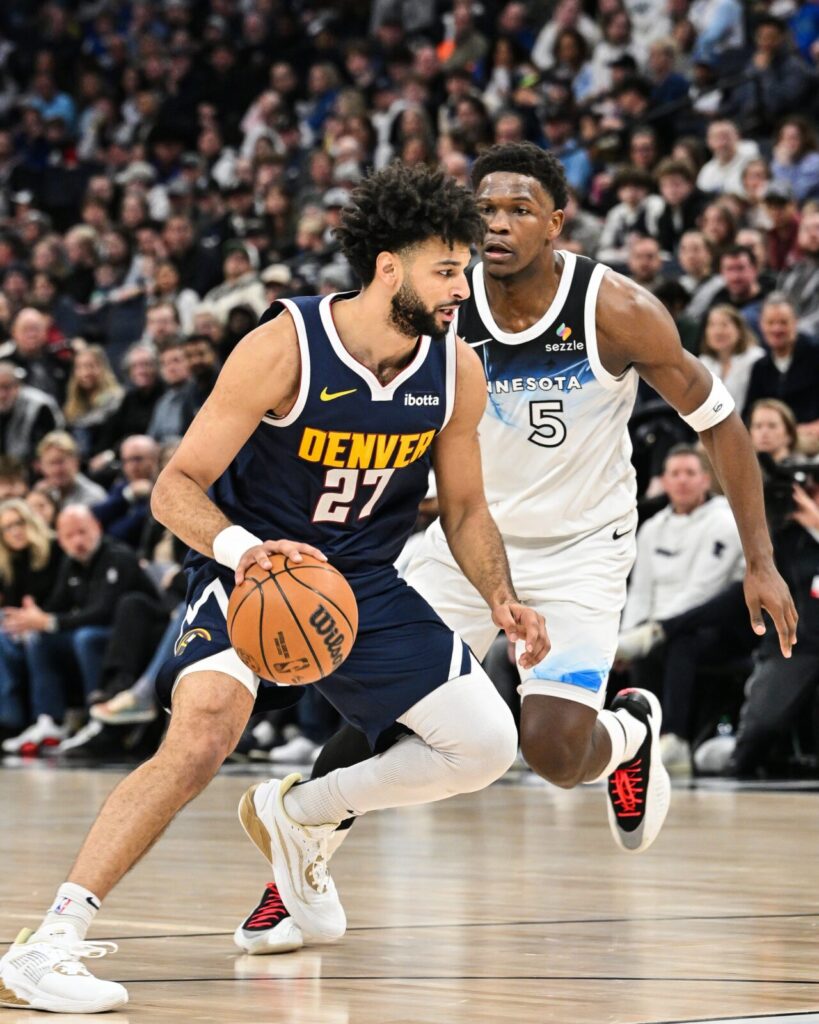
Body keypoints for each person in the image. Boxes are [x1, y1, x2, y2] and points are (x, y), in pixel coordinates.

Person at [0, 164, 548, 1012]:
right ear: (389, 267)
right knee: (200, 739)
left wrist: (501, 597)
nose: (461, 288)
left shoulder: (455, 371)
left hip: (361, 581)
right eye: (446, 269)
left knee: (483, 746)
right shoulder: (286, 346)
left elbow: (467, 508)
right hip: (250, 569)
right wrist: (245, 550)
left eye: (464, 269)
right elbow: (174, 486)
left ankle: (300, 814)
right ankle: (51, 942)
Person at [235, 142, 796, 956]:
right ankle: (291, 878)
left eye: (518, 210)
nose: (497, 225)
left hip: (579, 548)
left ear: (555, 222)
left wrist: (759, 559)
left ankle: (628, 735)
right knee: (374, 715)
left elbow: (719, 423)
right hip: (468, 539)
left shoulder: (615, 309)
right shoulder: (441, 306)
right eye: (485, 210)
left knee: (554, 753)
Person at [0, 505, 156, 757]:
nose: (78, 541)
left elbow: (104, 611)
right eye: (69, 536)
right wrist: (33, 619)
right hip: (98, 633)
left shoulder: (118, 556)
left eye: (82, 532)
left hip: (135, 639)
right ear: (60, 540)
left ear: (97, 527)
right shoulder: (71, 564)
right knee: (40, 639)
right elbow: (56, 605)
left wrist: (49, 621)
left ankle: (98, 719)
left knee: (86, 638)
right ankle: (49, 720)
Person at [0, 498, 62, 743]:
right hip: (20, 628)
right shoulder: (8, 563)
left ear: (30, 521)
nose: (14, 531)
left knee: (30, 637)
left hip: (52, 622)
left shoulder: (54, 549)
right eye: (6, 528)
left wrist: (34, 618)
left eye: (18, 523)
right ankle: (10, 718)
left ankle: (24, 720)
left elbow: (61, 598)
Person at [698, 304, 764, 411]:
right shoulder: (703, 362)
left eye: (724, 325)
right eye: (712, 325)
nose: (718, 331)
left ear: (739, 330)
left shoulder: (756, 359)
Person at [36, 431, 106, 508]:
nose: (56, 470)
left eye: (60, 462)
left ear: (75, 462)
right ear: (42, 466)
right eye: (51, 463)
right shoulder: (44, 493)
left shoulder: (94, 497)